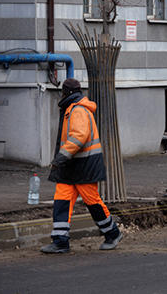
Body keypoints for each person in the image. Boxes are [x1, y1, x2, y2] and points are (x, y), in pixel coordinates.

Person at [41, 78, 122, 253]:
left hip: (84, 165)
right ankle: (60, 241)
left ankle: (112, 233)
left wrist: (60, 158)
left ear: (66, 93)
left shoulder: (77, 110)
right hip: (75, 165)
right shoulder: (74, 108)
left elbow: (79, 137)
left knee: (92, 202)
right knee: (61, 201)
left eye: (62, 92)